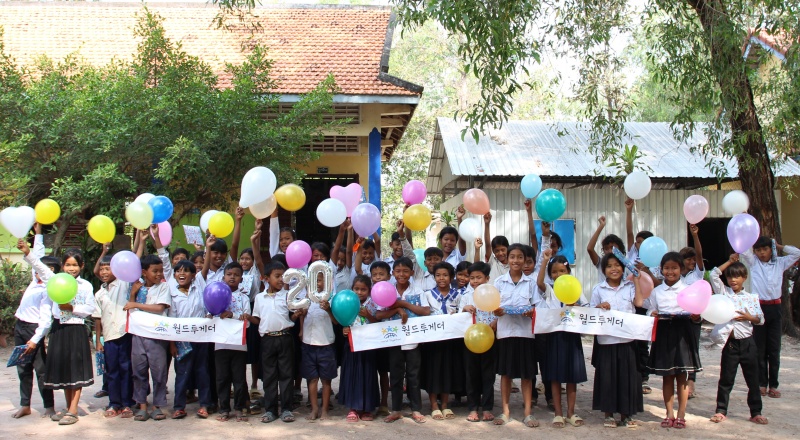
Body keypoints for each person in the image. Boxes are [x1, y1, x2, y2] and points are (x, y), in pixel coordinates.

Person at [18, 240, 97, 425]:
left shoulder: (85, 285)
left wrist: (73, 308)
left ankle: (73, 410)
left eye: (75, 265)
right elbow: (41, 268)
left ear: (82, 266)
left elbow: (90, 308)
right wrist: (28, 252)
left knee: (76, 371)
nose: (71, 268)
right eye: (68, 265)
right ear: (62, 266)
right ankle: (68, 408)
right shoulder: (55, 280)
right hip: (58, 330)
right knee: (65, 371)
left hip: (76, 330)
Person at [708, 254, 768, 425]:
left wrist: (750, 317)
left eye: (737, 276)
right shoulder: (724, 293)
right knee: (726, 379)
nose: (733, 280)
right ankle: (721, 410)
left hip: (748, 343)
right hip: (731, 343)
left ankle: (756, 412)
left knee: (753, 380)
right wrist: (729, 261)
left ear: (744, 278)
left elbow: (761, 320)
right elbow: (713, 274)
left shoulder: (751, 297)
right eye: (730, 277)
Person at [647, 252, 703, 429]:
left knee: (682, 376)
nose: (670, 272)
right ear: (661, 269)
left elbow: (697, 314)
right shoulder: (656, 291)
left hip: (683, 333)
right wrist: (652, 314)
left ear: (682, 269)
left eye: (674, 268)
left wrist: (696, 316)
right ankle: (669, 413)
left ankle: (681, 414)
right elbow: (651, 310)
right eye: (666, 268)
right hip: (664, 332)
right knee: (667, 376)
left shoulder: (688, 289)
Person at [741, 236, 800, 398]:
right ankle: (762, 383)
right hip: (759, 308)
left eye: (765, 249)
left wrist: (779, 246)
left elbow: (797, 253)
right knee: (760, 348)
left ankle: (774, 384)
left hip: (775, 308)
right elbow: (743, 250)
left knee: (774, 348)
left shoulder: (780, 263)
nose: (762, 253)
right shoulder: (754, 263)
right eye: (758, 250)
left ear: (771, 250)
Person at [590, 253, 644, 428]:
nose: (614, 269)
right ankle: (608, 415)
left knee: (627, 378)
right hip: (607, 341)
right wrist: (599, 307)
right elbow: (591, 312)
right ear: (603, 270)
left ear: (623, 267)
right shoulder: (599, 289)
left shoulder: (629, 286)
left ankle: (626, 415)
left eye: (617, 265)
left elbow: (639, 303)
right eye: (609, 266)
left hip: (627, 339)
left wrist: (636, 280)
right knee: (608, 378)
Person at [248, 262, 305, 423]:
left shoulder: (288, 296)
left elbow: (290, 317)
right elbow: (257, 319)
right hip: (267, 339)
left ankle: (286, 409)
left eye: (283, 276)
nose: (281, 280)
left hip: (285, 337)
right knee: (269, 376)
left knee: (286, 375)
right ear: (266, 278)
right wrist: (249, 317)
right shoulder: (259, 298)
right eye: (277, 276)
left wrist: (296, 315)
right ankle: (270, 410)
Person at [92, 240, 143, 419]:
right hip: (109, 338)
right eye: (102, 269)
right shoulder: (99, 293)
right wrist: (99, 340)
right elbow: (97, 319)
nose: (104, 272)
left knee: (126, 369)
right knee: (112, 371)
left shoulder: (123, 284)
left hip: (124, 334)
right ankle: (114, 403)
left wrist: (141, 239)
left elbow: (135, 259)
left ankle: (127, 403)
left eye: (108, 268)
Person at [536, 250, 587, 428]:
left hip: (571, 337)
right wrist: (544, 261)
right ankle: (558, 413)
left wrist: (576, 305)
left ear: (568, 272)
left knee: (572, 377)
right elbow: (539, 283)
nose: (558, 275)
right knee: (555, 377)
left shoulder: (576, 289)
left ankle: (571, 412)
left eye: (562, 271)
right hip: (554, 337)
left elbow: (586, 309)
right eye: (554, 272)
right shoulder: (550, 290)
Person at [164, 230, 211, 420]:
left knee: (202, 371)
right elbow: (171, 320)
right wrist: (172, 344)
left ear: (194, 275)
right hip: (182, 339)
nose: (181, 273)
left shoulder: (199, 285)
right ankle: (179, 407)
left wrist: (207, 247)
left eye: (186, 271)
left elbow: (205, 267)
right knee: (182, 373)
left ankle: (204, 405)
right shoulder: (172, 292)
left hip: (200, 337)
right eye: (178, 271)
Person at [378, 250, 428, 424]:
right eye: (398, 271)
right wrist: (397, 309)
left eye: (405, 271)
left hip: (413, 339)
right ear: (392, 273)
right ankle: (396, 410)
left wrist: (404, 304)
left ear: (412, 272)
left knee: (414, 374)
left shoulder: (418, 290)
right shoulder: (387, 290)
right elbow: (379, 314)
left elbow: (425, 311)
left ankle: (416, 409)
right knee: (396, 375)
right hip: (393, 339)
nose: (401, 274)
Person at [492, 244, 540, 428]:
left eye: (520, 257)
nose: (516, 260)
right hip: (505, 333)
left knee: (527, 375)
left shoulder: (531, 283)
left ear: (525, 260)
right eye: (512, 257)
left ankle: (528, 412)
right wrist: (496, 311)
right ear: (507, 259)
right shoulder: (499, 283)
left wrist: (531, 312)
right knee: (506, 374)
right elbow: (492, 306)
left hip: (525, 333)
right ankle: (505, 411)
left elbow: (537, 306)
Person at [12, 223, 55, 419]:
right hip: (20, 326)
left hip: (33, 330)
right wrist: (38, 233)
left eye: (43, 269)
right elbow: (37, 257)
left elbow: (45, 321)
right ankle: (25, 405)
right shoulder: (34, 280)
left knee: (41, 370)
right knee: (23, 368)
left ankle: (49, 406)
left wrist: (35, 340)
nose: (37, 270)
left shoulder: (48, 289)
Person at [126, 253, 172, 422]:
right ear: (144, 272)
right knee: (138, 370)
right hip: (138, 334)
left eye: (160, 271)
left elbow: (159, 308)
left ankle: (157, 405)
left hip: (157, 334)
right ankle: (142, 405)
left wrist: (136, 303)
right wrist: (133, 295)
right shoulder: (137, 287)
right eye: (155, 271)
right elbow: (130, 308)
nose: (159, 274)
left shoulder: (163, 287)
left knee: (159, 371)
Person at [420, 262, 465, 421]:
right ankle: (434, 405)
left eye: (445, 275)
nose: (441, 278)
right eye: (438, 275)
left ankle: (445, 404)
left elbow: (462, 315)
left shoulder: (458, 295)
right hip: (432, 341)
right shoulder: (427, 295)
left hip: (450, 341)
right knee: (433, 371)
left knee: (447, 371)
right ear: (434, 277)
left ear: (451, 277)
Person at [625, 197, 657, 395]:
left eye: (642, 243)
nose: (638, 245)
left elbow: (659, 283)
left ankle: (644, 377)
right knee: (630, 340)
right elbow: (629, 233)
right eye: (637, 242)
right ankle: (631, 374)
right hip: (630, 303)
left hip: (645, 306)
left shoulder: (656, 260)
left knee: (642, 343)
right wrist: (629, 211)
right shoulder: (632, 254)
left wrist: (647, 270)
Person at [459, 261, 497, 423]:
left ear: (487, 278)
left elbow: (499, 313)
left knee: (488, 374)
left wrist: (495, 322)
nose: (475, 281)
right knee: (471, 374)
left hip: (490, 340)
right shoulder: (466, 296)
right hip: (470, 341)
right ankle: (473, 408)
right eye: (472, 278)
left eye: (478, 277)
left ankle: (487, 408)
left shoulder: (494, 294)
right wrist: (464, 309)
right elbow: (458, 317)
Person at [338, 275, 380, 422]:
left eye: (363, 289)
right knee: (351, 374)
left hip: (368, 345)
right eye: (356, 289)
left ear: (369, 290)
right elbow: (343, 320)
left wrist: (368, 314)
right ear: (352, 289)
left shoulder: (373, 303)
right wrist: (344, 329)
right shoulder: (347, 302)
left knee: (368, 374)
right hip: (352, 344)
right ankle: (353, 408)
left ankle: (367, 408)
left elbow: (378, 323)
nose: (360, 292)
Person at [215, 261, 251, 423]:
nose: (232, 277)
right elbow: (212, 315)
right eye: (229, 274)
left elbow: (247, 322)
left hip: (239, 344)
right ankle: (224, 408)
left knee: (239, 378)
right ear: (223, 277)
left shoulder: (244, 298)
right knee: (222, 378)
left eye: (236, 275)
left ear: (241, 279)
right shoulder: (216, 296)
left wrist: (233, 315)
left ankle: (239, 408)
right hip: (221, 343)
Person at [300, 273, 337, 421]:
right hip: (309, 343)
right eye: (314, 281)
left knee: (326, 380)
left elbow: (336, 321)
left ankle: (325, 410)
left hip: (326, 343)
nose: (317, 284)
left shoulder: (331, 299)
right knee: (312, 379)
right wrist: (301, 329)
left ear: (326, 282)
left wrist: (328, 309)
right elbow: (302, 315)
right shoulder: (306, 299)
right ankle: (314, 409)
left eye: (320, 280)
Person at [680, 224, 705, 398]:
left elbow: (700, 255)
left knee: (693, 348)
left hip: (694, 317)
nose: (692, 262)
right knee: (680, 348)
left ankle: (691, 381)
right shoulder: (675, 276)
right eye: (688, 259)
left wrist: (695, 236)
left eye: (693, 259)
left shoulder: (697, 274)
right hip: (679, 316)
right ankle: (681, 380)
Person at [366, 261, 393, 417]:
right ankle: (369, 402)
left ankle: (384, 403)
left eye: (381, 274)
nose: (377, 277)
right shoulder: (367, 295)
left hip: (386, 338)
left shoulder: (392, 294)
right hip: (370, 339)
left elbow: (380, 316)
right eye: (374, 275)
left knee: (383, 371)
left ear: (389, 276)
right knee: (370, 371)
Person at [587, 216, 626, 282]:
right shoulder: (601, 263)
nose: (610, 251)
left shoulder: (626, 264)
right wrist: (601, 226)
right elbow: (590, 249)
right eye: (606, 249)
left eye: (612, 247)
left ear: (620, 248)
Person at [481, 212, 509, 279]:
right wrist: (487, 224)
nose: (500, 253)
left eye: (503, 250)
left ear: (508, 248)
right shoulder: (493, 262)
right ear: (493, 251)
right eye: (497, 251)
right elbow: (488, 244)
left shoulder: (513, 264)